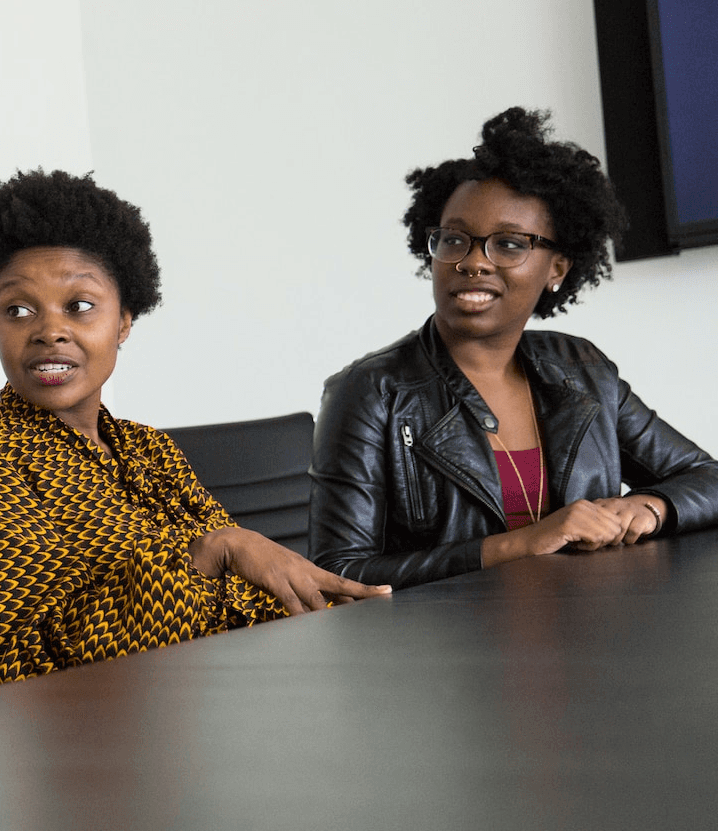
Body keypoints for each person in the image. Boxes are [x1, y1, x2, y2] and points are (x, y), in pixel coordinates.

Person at [0, 169, 387, 682]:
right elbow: (35, 663)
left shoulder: (148, 449)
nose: (49, 331)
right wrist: (209, 553)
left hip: (233, 688)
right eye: (17, 310)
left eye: (79, 306)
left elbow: (246, 584)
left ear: (124, 321)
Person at [308, 107, 718, 588]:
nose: (474, 262)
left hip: (594, 633)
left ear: (557, 269)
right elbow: (335, 575)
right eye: (455, 240)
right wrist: (519, 546)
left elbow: (705, 477)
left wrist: (650, 506)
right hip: (447, 653)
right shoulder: (372, 392)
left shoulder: (582, 371)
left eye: (508, 245)